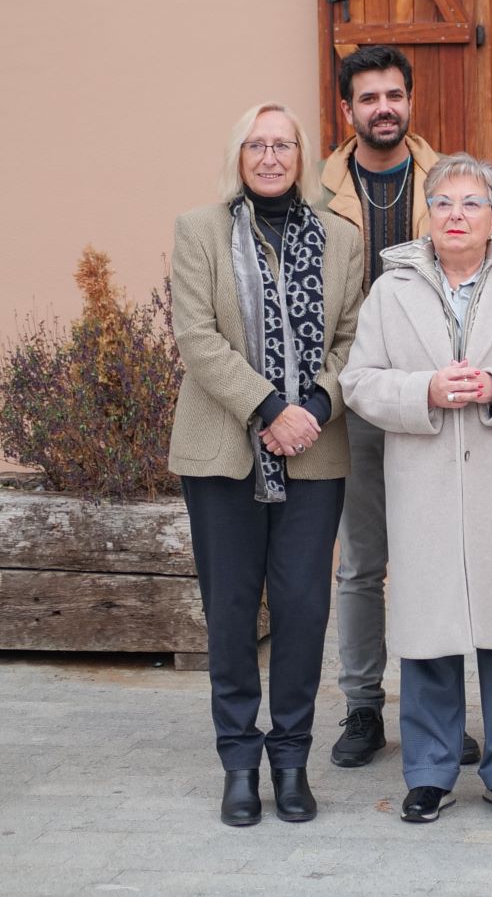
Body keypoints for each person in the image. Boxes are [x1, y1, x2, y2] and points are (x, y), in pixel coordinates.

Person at [341, 154, 492, 824]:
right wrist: (425, 390)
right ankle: (430, 772)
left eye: (471, 203)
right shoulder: (392, 290)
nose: (456, 215)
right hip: (421, 481)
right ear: (428, 216)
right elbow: (359, 384)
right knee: (429, 632)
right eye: (443, 202)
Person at [169, 102, 363, 826]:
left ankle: (290, 761)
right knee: (229, 612)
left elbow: (353, 338)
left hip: (315, 451)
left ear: (303, 155)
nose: (272, 156)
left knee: (305, 610)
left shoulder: (342, 239)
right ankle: (239, 764)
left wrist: (312, 404)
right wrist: (267, 409)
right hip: (223, 453)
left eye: (284, 144)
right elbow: (197, 337)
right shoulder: (200, 231)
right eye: (258, 144)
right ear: (239, 155)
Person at [316, 45, 478, 769]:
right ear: (346, 110)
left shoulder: (447, 182)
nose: (383, 107)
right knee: (359, 565)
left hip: (438, 402)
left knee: (435, 559)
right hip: (355, 403)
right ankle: (360, 708)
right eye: (368, 98)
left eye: (394, 95)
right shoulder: (318, 192)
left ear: (410, 102)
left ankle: (440, 713)